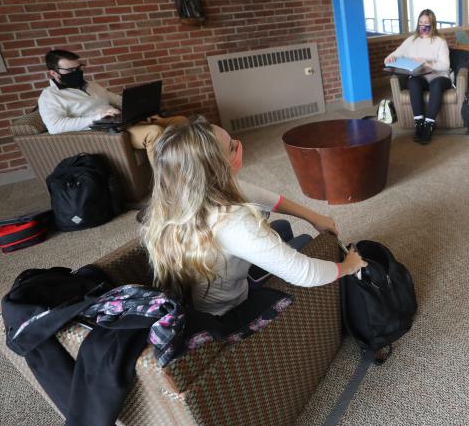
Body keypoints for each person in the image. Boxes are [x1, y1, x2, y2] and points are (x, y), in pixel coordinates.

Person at [142, 118, 367, 315]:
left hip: (205, 290)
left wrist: (314, 216)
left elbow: (270, 199)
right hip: (231, 309)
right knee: (308, 243)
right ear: (216, 167)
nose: (239, 146)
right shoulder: (231, 223)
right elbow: (304, 274)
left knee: (282, 225)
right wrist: (349, 265)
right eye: (231, 147)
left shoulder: (186, 191)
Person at [37, 49, 189, 165]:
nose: (76, 73)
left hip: (121, 123)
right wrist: (97, 117)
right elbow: (55, 126)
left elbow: (117, 100)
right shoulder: (50, 97)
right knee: (154, 132)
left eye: (79, 68)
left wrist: (142, 110)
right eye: (70, 71)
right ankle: (168, 186)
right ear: (53, 73)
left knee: (181, 121)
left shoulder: (91, 85)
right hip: (103, 135)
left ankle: (191, 167)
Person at [384, 9, 451, 144]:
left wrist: (427, 63)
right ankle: (419, 123)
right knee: (413, 82)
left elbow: (445, 65)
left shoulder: (440, 41)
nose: (423, 25)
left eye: (426, 22)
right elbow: (393, 56)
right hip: (420, 77)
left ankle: (429, 125)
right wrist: (390, 58)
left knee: (435, 84)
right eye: (421, 22)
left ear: (432, 23)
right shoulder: (411, 40)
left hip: (439, 77)